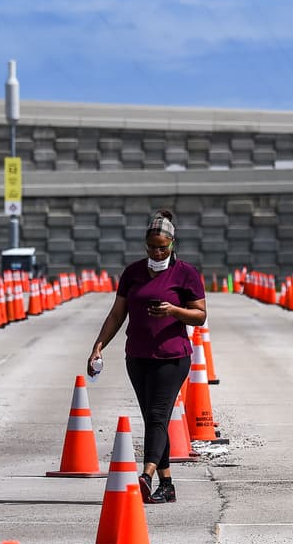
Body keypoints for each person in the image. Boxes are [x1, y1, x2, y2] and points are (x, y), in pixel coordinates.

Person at [88, 209, 207, 503]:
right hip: (138, 357)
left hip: (172, 357)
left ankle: (147, 475)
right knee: (155, 419)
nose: (157, 252)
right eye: (152, 247)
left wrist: (174, 311)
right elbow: (117, 314)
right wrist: (98, 345)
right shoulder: (133, 273)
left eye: (162, 247)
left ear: (172, 244)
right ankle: (167, 485)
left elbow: (200, 316)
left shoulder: (186, 274)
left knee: (157, 415)